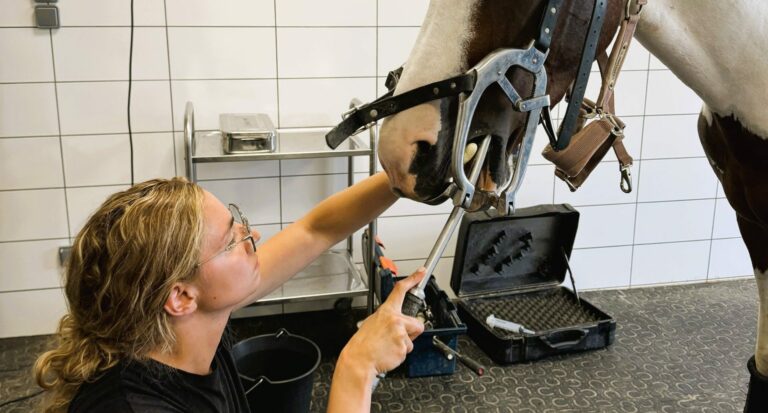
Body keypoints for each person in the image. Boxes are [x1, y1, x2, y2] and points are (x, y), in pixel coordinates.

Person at [33, 173, 426, 413]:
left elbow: (316, 229)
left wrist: (404, 175)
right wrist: (357, 367)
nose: (252, 235)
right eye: (231, 240)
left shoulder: (184, 333)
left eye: (238, 222)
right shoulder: (133, 408)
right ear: (181, 297)